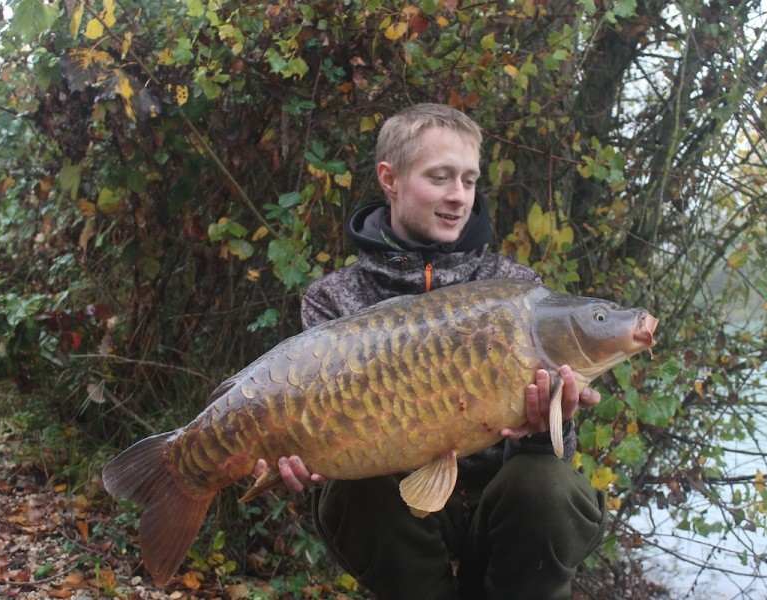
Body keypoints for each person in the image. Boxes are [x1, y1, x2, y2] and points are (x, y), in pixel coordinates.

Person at [254, 103, 606, 599]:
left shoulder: (516, 290)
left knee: (547, 483)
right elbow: (321, 443)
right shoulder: (334, 300)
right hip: (401, 511)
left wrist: (549, 423)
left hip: (499, 505)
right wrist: (303, 454)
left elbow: (555, 455)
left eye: (469, 180)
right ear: (389, 179)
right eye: (440, 177)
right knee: (352, 488)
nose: (459, 197)